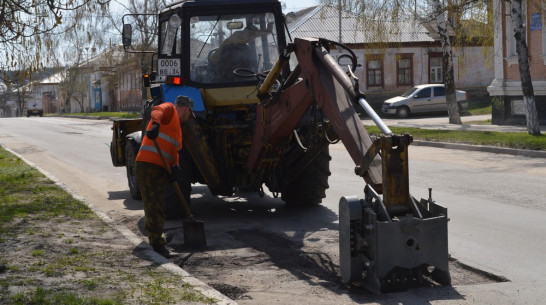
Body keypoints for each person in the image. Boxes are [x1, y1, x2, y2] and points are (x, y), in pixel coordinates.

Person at [135, 95, 194, 258]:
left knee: (159, 204)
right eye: (190, 114)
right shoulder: (169, 109)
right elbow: (157, 111)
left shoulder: (178, 131)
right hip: (148, 164)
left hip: (160, 167)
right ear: (186, 109)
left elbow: (174, 152)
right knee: (153, 205)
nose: (189, 118)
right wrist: (154, 125)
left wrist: (175, 166)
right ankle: (156, 243)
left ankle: (157, 238)